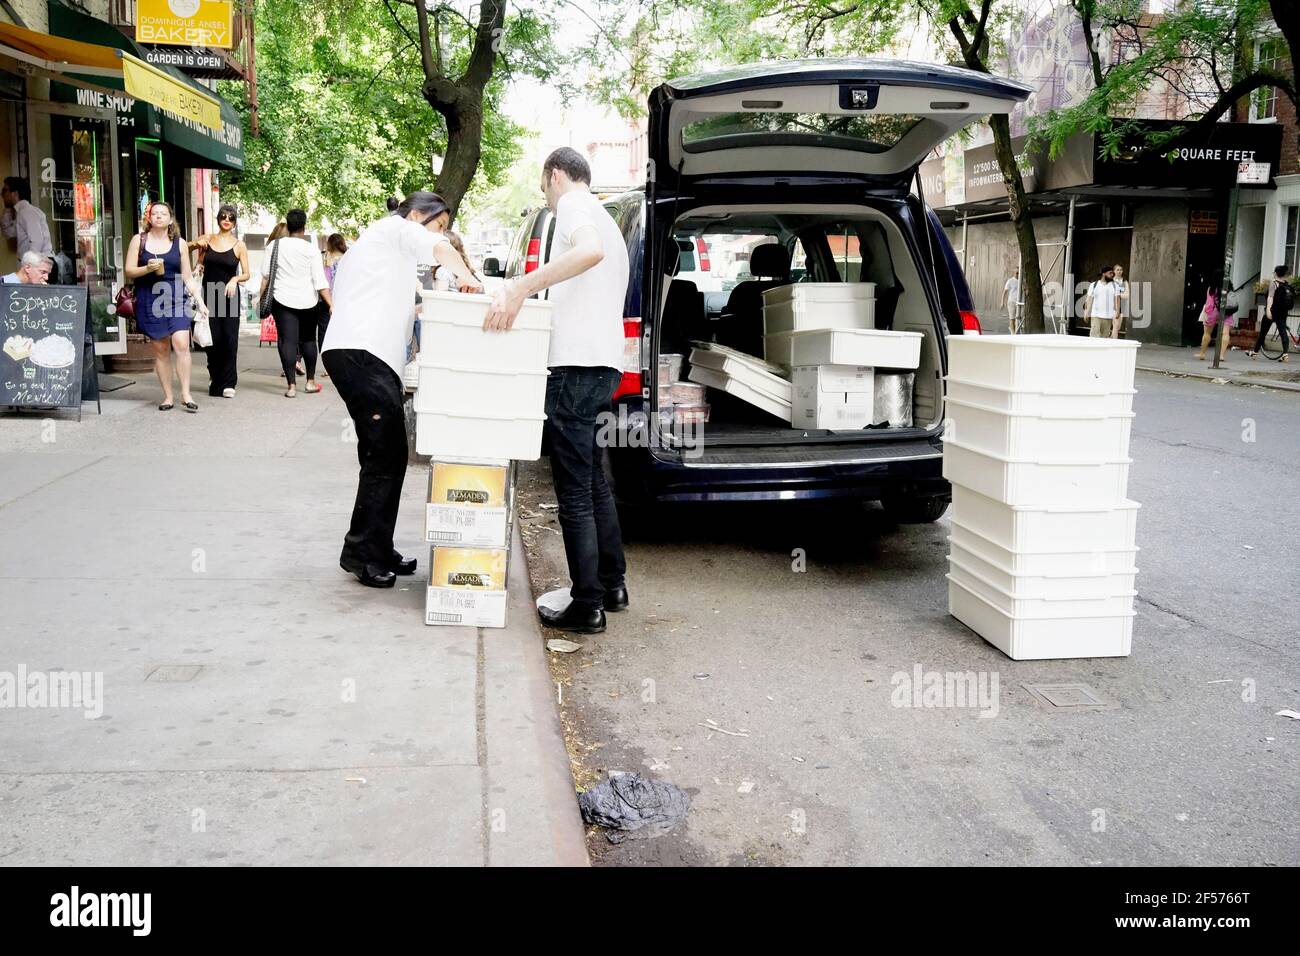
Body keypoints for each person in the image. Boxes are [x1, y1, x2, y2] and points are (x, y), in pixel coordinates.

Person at [485, 147, 631, 635]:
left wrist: (523, 286)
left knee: (574, 492)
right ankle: (611, 585)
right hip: (606, 363)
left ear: (555, 175)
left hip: (576, 367)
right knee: (592, 481)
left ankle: (587, 605)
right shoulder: (610, 219)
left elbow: (588, 252)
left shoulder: (574, 205)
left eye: (543, 187)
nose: (545, 199)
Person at [322, 191, 480, 588]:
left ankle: (378, 547)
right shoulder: (397, 229)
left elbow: (395, 306)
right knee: (385, 455)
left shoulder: (384, 248)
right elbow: (439, 246)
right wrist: (469, 278)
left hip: (364, 354)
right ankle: (360, 553)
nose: (441, 233)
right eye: (439, 223)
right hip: (363, 355)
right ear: (416, 215)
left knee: (387, 455)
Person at [125, 201, 209, 412]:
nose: (159, 216)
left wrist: (200, 302)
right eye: (155, 213)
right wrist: (147, 268)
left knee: (181, 342)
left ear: (171, 220)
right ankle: (168, 397)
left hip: (176, 297)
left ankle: (186, 394)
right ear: (149, 218)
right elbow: (129, 271)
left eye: (164, 214)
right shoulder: (139, 240)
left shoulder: (179, 243)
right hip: (150, 299)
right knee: (161, 349)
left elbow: (188, 277)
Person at [258, 208, 331, 397]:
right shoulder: (311, 249)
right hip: (309, 302)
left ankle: (291, 386)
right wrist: (331, 304)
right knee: (308, 340)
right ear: (303, 227)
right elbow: (320, 281)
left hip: (282, 301)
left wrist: (260, 298)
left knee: (287, 341)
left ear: (288, 226)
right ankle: (310, 382)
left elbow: (266, 276)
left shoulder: (274, 246)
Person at [191, 204, 250, 398]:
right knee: (211, 339)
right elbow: (198, 266)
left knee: (229, 339)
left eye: (231, 217)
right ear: (218, 219)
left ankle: (229, 382)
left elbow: (247, 274)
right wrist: (197, 267)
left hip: (230, 297)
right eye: (223, 216)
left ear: (234, 222)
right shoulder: (208, 240)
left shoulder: (239, 245)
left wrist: (235, 279)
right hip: (209, 295)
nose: (227, 220)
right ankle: (215, 377)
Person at [1, 176, 53, 262]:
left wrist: (30, 265)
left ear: (15, 193)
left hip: (40, 264)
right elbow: (8, 233)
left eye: (5, 190)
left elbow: (37, 241)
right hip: (37, 263)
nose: (2, 194)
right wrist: (7, 208)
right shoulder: (20, 212)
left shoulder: (27, 212)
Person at [1247, 264, 1292, 363]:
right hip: (1283, 312)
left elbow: (1270, 297)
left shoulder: (1274, 284)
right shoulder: (1286, 284)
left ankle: (1255, 352)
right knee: (1283, 332)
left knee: (1263, 332)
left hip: (1273, 311)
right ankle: (1285, 354)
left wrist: (1268, 310)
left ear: (1276, 273)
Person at [1194, 276, 1234, 362]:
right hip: (1227, 312)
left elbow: (1209, 303)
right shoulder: (1229, 288)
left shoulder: (1212, 289)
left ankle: (1202, 353)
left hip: (1214, 311)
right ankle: (1221, 355)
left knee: (1207, 333)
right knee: (1225, 333)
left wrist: (1208, 314)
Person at [1084, 266, 1120, 338]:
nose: (1112, 275)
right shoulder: (1094, 285)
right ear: (1104, 274)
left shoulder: (1115, 286)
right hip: (1096, 316)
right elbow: (1088, 300)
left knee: (1104, 339)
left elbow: (1117, 299)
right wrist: (1086, 313)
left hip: (1108, 317)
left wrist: (1117, 311)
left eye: (1112, 273)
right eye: (1110, 273)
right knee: (1094, 338)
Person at [1000, 266, 1021, 332]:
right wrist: (1002, 302)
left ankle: (1014, 330)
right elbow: (1005, 292)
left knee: (1019, 319)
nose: (1018, 274)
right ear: (1014, 273)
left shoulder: (1021, 281)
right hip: (1011, 302)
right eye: (1017, 273)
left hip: (1019, 302)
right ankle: (1013, 333)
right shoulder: (1010, 281)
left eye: (1019, 273)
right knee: (1012, 318)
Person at [1112, 264, 1129, 339]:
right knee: (1115, 326)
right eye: (1117, 270)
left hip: (1121, 306)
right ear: (1114, 271)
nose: (1119, 271)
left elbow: (1127, 295)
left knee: (1117, 327)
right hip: (1110, 306)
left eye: (1120, 270)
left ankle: (1111, 338)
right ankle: (1113, 342)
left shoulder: (1125, 282)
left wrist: (1117, 295)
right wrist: (1120, 294)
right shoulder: (1110, 281)